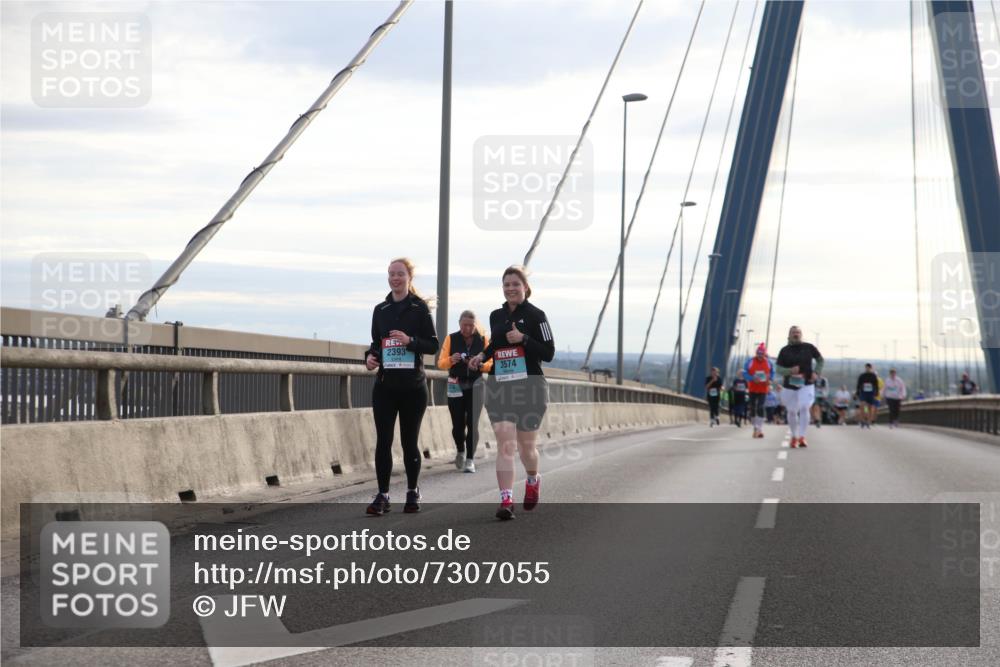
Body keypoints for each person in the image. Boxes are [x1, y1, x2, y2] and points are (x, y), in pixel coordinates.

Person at [467, 265, 555, 521]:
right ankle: (506, 499)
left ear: (525, 287)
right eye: (506, 285)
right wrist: (481, 356)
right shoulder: (496, 315)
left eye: (515, 284)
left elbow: (549, 353)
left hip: (530, 387)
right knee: (505, 445)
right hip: (500, 386)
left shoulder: (537, 315)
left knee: (526, 447)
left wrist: (524, 339)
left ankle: (532, 478)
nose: (510, 289)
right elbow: (495, 344)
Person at [364, 258, 439, 516]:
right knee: (383, 441)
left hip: (413, 388)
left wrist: (410, 341)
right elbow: (376, 343)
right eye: (391, 274)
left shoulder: (419, 309)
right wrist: (370, 358)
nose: (395, 278)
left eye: (400, 274)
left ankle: (412, 491)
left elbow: (432, 345)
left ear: (409, 278)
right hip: (385, 386)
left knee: (409, 442)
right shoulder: (381, 309)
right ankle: (383, 495)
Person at [438, 310, 492, 473]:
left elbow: (491, 364)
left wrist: (481, 365)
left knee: (472, 423)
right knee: (457, 425)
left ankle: (470, 459)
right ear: (459, 324)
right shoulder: (451, 338)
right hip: (456, 383)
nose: (467, 329)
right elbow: (440, 363)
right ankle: (460, 449)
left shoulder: (483, 340)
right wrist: (450, 360)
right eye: (464, 325)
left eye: (470, 326)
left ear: (475, 325)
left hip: (476, 384)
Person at [775, 325, 824, 448]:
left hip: (806, 384)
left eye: (798, 332)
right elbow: (778, 369)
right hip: (789, 385)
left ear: (801, 335)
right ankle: (794, 436)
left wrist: (816, 372)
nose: (796, 334)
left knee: (804, 407)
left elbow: (820, 360)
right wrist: (790, 371)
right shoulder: (784, 350)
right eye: (793, 332)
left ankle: (802, 437)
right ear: (789, 335)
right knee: (792, 411)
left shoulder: (809, 347)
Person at [855, 363, 879, 430]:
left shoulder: (873, 376)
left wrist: (876, 393)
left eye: (869, 368)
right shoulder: (862, 376)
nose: (867, 369)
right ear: (865, 368)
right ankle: (863, 420)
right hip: (864, 393)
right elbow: (858, 385)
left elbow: (876, 385)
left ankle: (868, 421)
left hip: (871, 393)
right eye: (866, 367)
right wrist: (857, 393)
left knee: (870, 408)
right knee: (864, 406)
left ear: (871, 368)